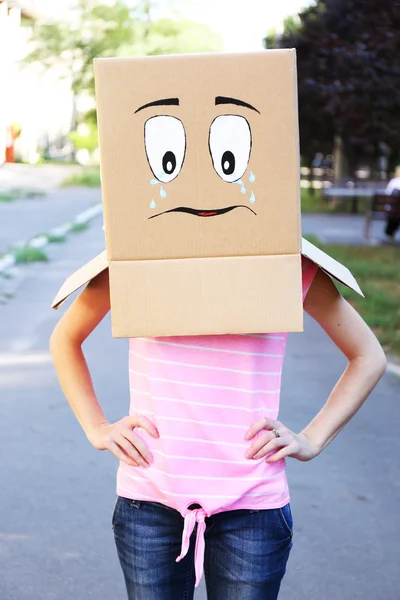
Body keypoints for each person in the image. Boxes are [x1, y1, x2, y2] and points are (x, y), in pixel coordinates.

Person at [50, 256, 386, 600]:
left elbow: (368, 356)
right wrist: (98, 426)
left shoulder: (286, 264)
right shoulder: (136, 258)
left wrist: (313, 439)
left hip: (252, 504)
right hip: (150, 500)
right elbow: (65, 339)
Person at [384, 166, 400, 241]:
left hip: (392, 210)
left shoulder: (393, 182)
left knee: (394, 215)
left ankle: (390, 234)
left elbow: (387, 194)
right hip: (397, 210)